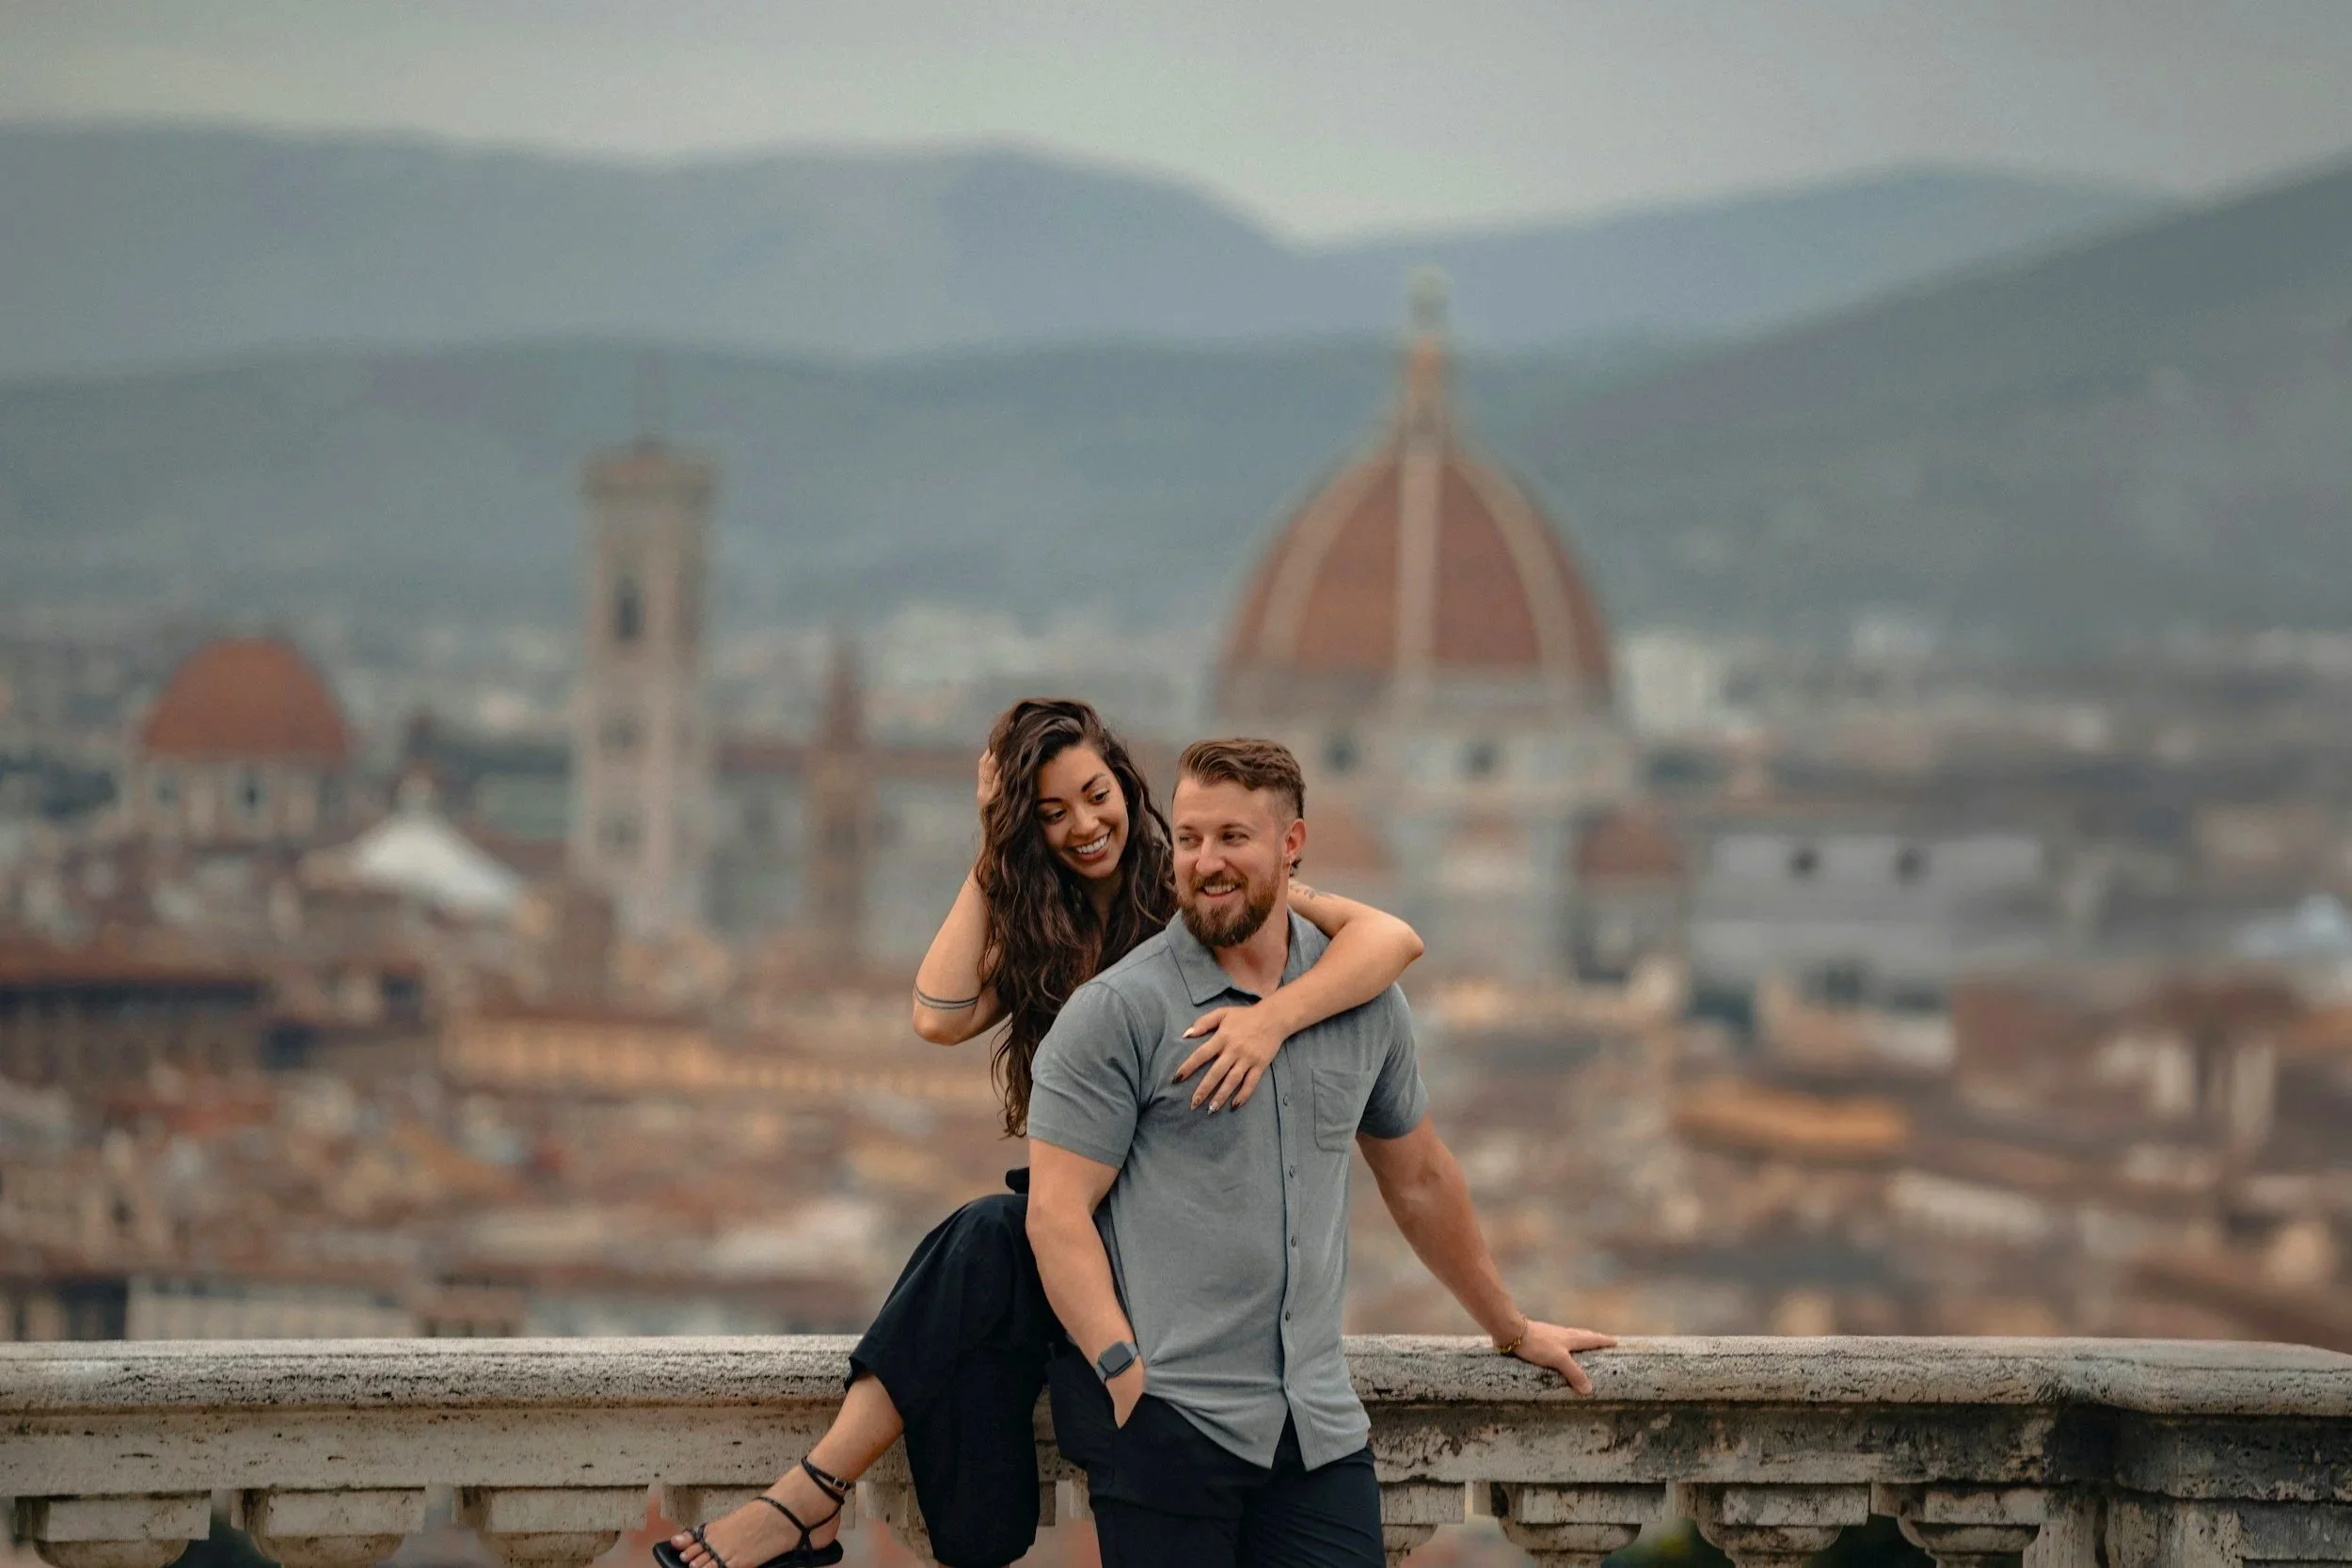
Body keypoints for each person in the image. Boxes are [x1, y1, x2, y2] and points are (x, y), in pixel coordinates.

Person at [659, 700, 1425, 1568]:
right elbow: (938, 1016)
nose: (1083, 825)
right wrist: (993, 845)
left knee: (983, 1236)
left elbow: (1389, 938)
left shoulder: (1198, 878)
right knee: (986, 1235)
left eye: (1095, 795)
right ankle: (811, 1497)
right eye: (1050, 812)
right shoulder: (1040, 917)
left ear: (1130, 788)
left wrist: (1272, 1020)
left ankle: (806, 1501)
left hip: (1169, 1263)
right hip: (1081, 1233)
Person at [1025, 737, 1616, 1568]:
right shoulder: (1117, 1012)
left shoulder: (1365, 1006)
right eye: (1189, 838)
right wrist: (1127, 1378)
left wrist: (1511, 1328)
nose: (1205, 861)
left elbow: (1418, 1181)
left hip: (1317, 1434)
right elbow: (1055, 1213)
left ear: (1291, 846)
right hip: (1171, 1428)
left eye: (1233, 837)